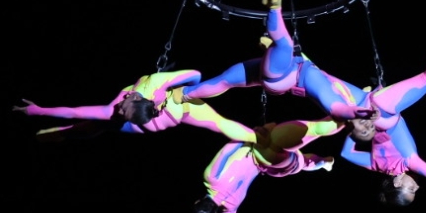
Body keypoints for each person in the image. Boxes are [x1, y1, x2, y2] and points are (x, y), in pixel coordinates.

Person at [320, 21, 426, 204]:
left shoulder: (408, 162)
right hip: (364, 106)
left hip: (384, 110)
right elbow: (346, 153)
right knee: (317, 75)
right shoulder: (376, 166)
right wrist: (357, 123)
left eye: (411, 189)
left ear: (397, 182)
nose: (417, 187)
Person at [193, 116, 341, 213]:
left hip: (270, 165)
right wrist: (252, 134)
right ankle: (338, 120)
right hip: (259, 148)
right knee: (304, 134)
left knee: (301, 163)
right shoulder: (211, 178)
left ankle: (324, 162)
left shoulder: (230, 208)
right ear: (197, 202)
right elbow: (226, 151)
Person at [16, 69, 254, 140]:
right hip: (177, 111)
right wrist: (39, 110)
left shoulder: (153, 84)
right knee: (218, 124)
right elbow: (196, 76)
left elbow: (74, 112)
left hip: (173, 113)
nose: (119, 107)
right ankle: (258, 138)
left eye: (122, 107)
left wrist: (39, 111)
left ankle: (61, 134)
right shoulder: (152, 88)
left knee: (97, 125)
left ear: (136, 97)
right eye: (123, 108)